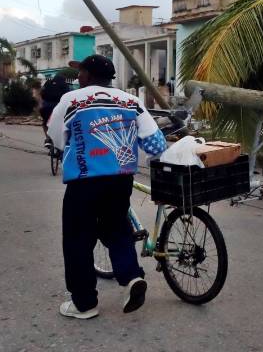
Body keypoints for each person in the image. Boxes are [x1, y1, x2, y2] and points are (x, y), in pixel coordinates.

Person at [47, 54, 168, 320]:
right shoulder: (131, 101)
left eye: (80, 74)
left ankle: (84, 303)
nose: (78, 78)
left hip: (84, 181)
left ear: (89, 76)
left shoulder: (72, 100)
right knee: (117, 229)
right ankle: (132, 277)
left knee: (78, 240)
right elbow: (156, 145)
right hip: (120, 180)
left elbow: (55, 137)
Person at [39, 74, 70, 149]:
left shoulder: (48, 83)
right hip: (59, 107)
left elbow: (42, 94)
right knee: (63, 122)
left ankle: (48, 139)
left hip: (46, 107)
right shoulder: (64, 84)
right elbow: (68, 96)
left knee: (45, 123)